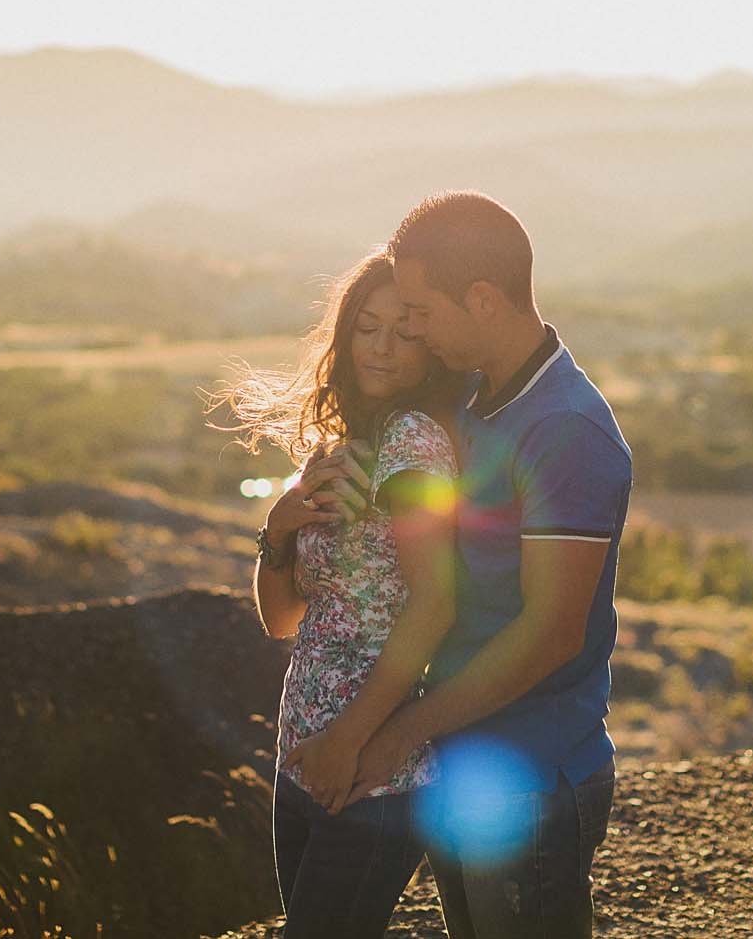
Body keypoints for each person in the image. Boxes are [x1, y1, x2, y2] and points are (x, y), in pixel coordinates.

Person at [340, 191, 632, 939]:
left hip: (534, 775)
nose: (410, 328)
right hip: (465, 763)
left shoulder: (565, 429)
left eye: (420, 310)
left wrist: (403, 729)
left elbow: (551, 633)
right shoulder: (470, 393)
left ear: (482, 299)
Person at [211, 252, 465, 939]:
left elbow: (435, 602)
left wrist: (348, 744)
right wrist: (278, 527)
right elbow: (281, 617)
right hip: (304, 756)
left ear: (428, 349)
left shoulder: (413, 445)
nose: (381, 347)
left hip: (370, 772)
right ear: (343, 335)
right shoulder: (334, 447)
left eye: (403, 332)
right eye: (366, 326)